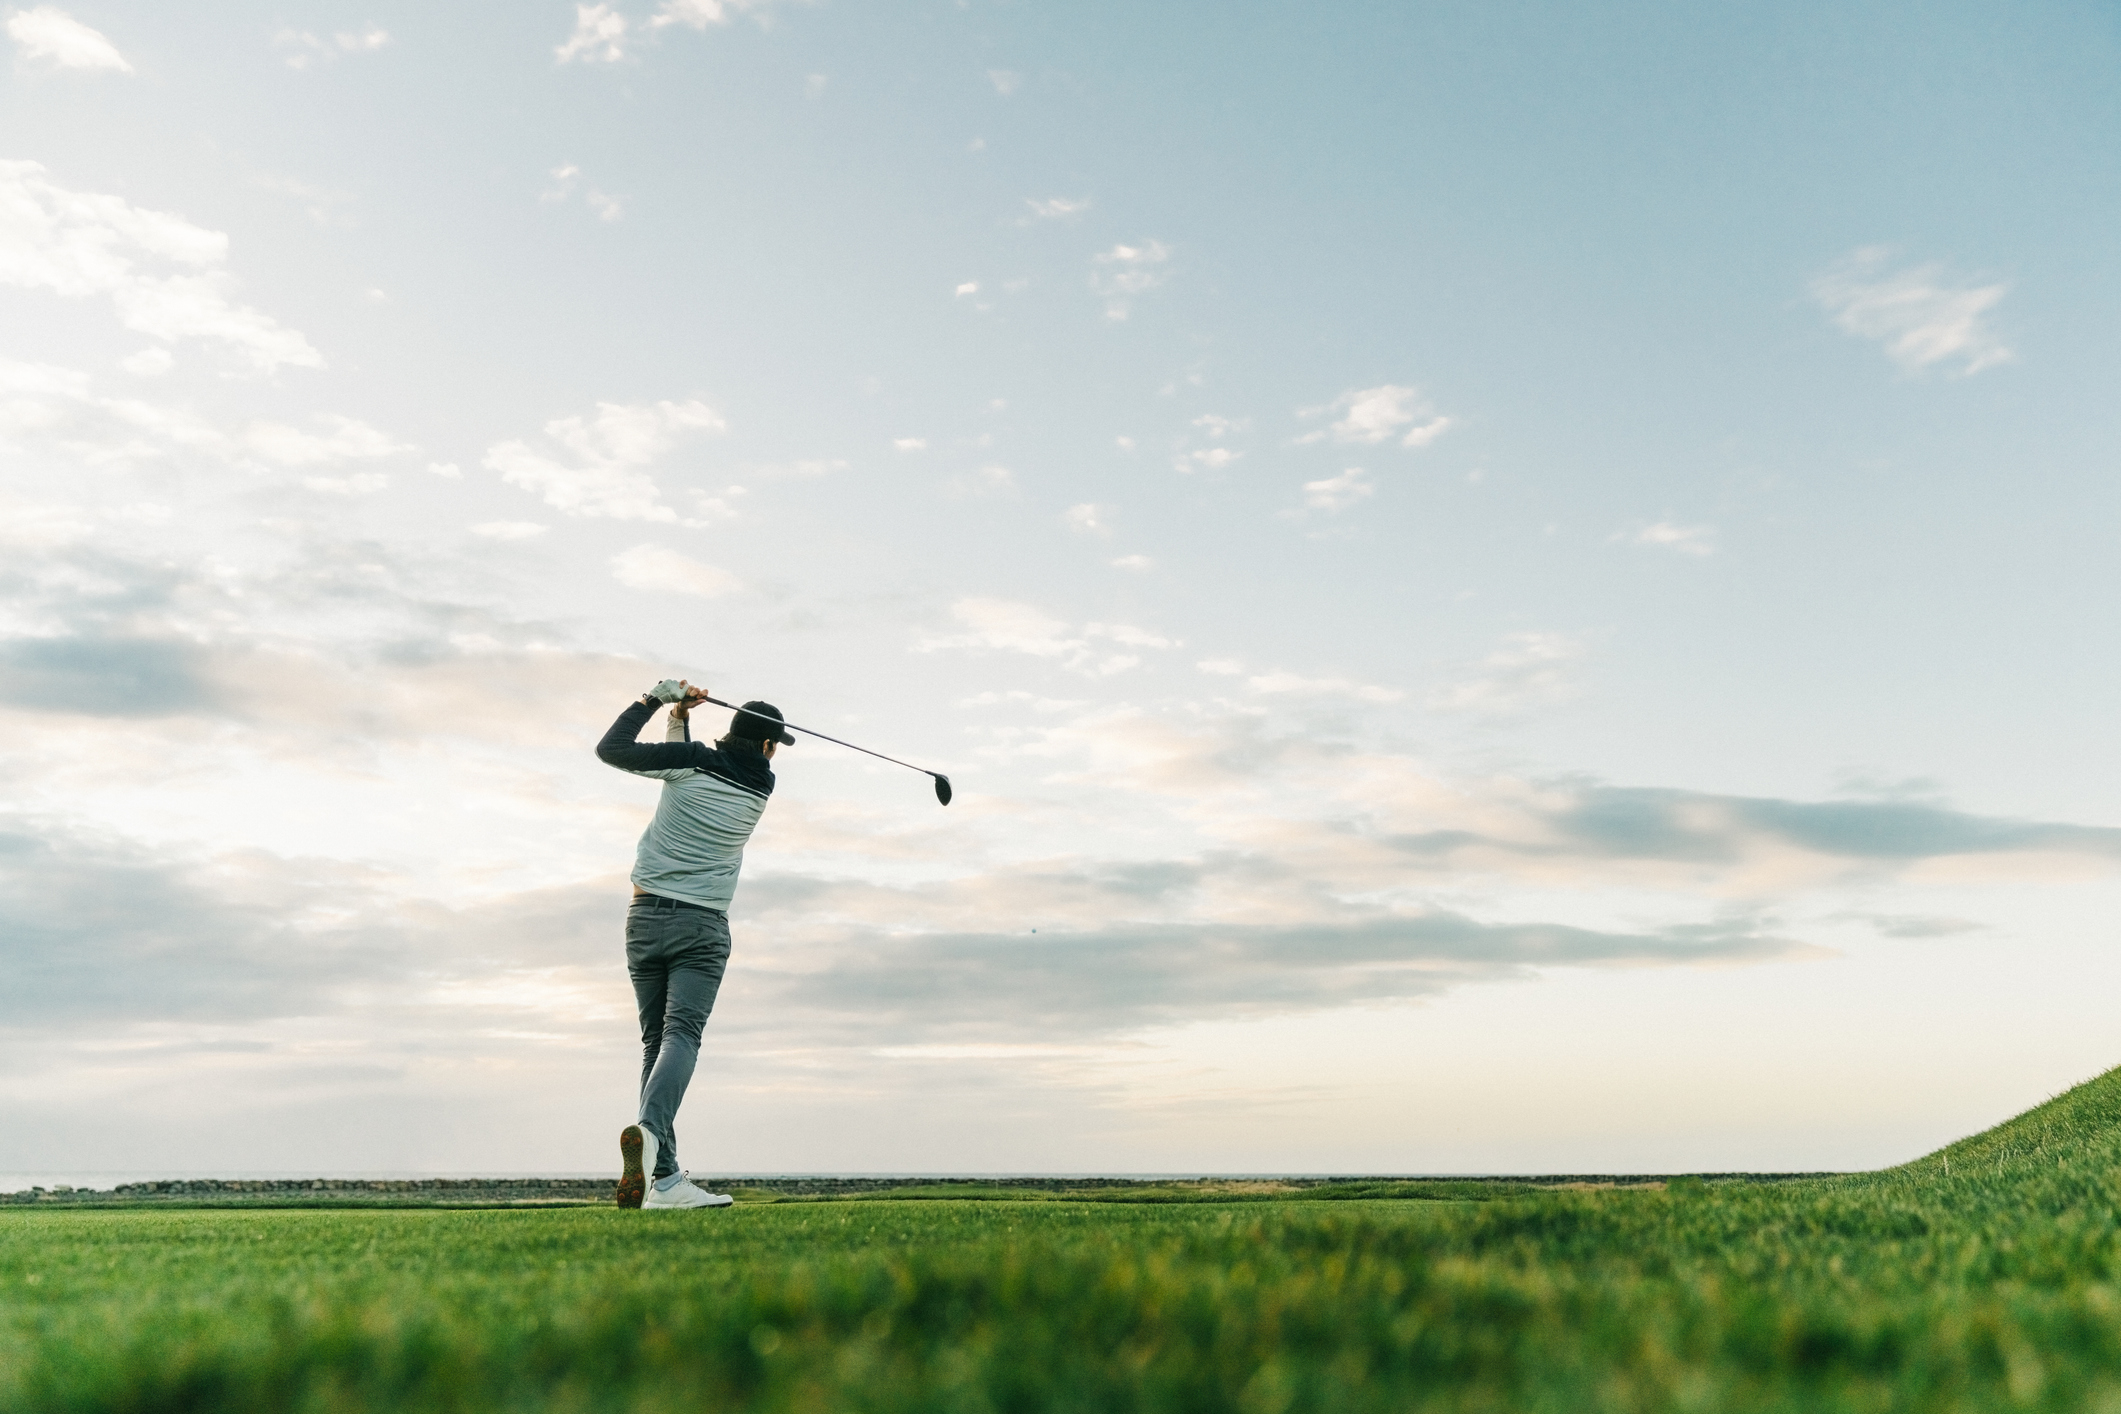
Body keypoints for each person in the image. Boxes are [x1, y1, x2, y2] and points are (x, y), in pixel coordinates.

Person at [595, 678, 795, 1210]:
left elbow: (613, 751)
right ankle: (654, 1139)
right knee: (681, 1036)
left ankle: (663, 1182)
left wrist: (657, 700)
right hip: (701, 928)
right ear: (768, 748)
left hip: (643, 920)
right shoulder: (760, 784)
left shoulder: (691, 761)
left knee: (654, 1042)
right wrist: (679, 721)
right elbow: (684, 764)